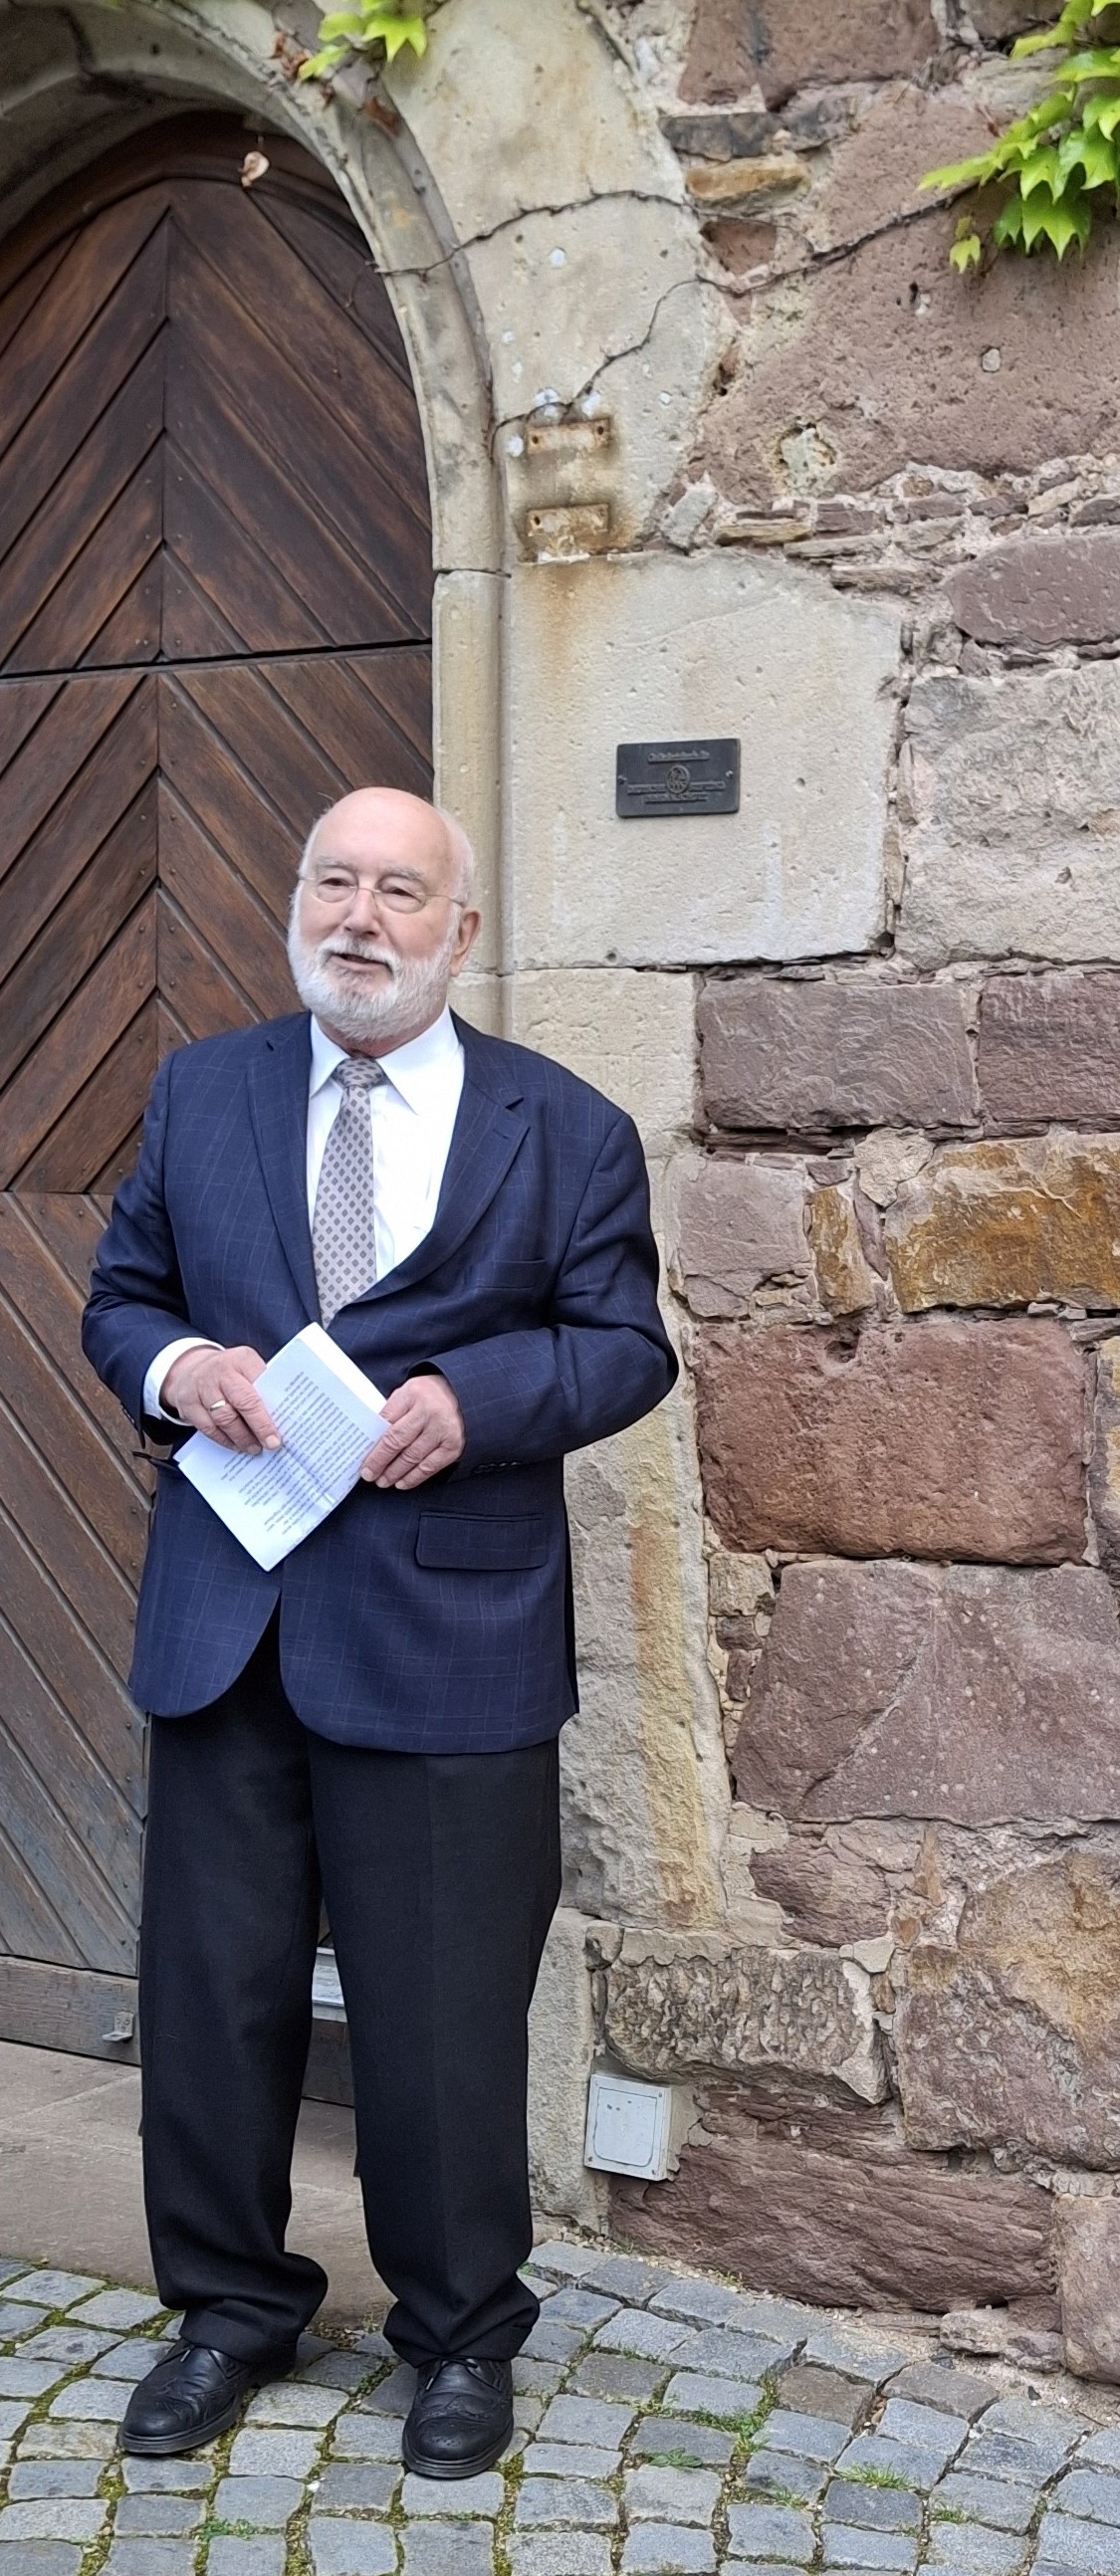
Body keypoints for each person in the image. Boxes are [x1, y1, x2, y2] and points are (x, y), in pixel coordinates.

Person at [82, 788, 676, 2476]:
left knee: (442, 2013)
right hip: (231, 1619)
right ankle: (228, 2310)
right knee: (213, 1998)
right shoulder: (200, 1091)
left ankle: (461, 2332)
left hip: (449, 1631)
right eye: (332, 882)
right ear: (297, 903)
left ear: (459, 931)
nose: (359, 916)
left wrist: (474, 1405)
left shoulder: (565, 1128)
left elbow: (623, 1347)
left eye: (399, 891)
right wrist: (178, 1368)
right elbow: (123, 1301)